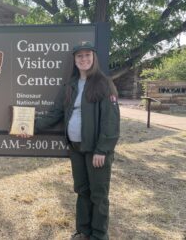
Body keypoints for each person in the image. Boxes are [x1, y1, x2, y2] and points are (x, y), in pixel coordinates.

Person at [27, 41, 120, 240]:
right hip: (76, 149)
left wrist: (102, 150)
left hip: (96, 150)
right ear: (75, 60)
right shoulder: (70, 86)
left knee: (99, 194)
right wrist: (29, 127)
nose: (84, 59)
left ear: (93, 58)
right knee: (82, 191)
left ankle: (99, 235)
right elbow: (54, 114)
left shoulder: (104, 84)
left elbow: (111, 122)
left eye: (87, 55)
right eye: (80, 56)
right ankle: (83, 232)